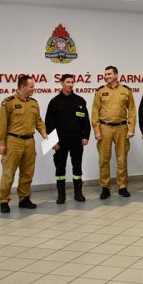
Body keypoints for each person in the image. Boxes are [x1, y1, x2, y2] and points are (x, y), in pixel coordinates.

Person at [0, 75, 48, 213]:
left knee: (27, 172)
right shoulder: (8, 102)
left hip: (29, 141)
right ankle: (4, 200)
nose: (33, 89)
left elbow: (39, 121)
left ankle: (24, 198)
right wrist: (1, 143)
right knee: (8, 173)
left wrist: (43, 133)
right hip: (13, 141)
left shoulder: (33, 103)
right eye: (31, 86)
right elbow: (2, 124)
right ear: (23, 87)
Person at [92, 66, 137, 199]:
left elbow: (132, 110)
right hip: (104, 128)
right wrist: (96, 130)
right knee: (103, 160)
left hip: (122, 128)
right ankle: (105, 187)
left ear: (116, 75)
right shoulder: (100, 91)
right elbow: (95, 112)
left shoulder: (126, 90)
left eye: (109, 74)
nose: (106, 76)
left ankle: (122, 186)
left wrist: (131, 128)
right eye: (105, 74)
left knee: (122, 159)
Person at [45, 74, 91, 204]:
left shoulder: (80, 101)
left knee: (77, 166)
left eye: (72, 82)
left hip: (77, 140)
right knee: (60, 168)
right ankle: (61, 195)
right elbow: (49, 124)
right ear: (61, 83)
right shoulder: (54, 102)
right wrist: (52, 142)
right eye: (68, 82)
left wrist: (85, 136)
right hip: (60, 142)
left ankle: (78, 193)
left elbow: (85, 121)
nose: (70, 84)